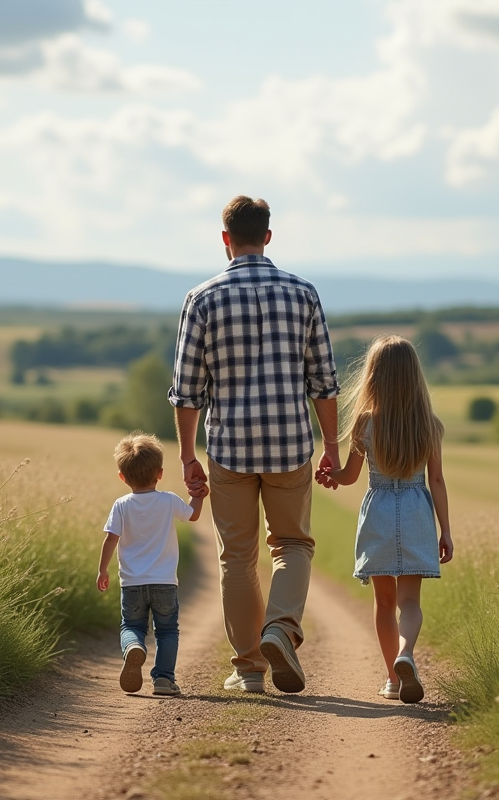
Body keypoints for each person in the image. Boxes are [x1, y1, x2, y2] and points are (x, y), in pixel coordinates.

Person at [169, 195, 340, 694]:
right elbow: (324, 381)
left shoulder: (201, 298)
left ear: (225, 239)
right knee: (292, 545)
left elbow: (186, 390)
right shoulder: (303, 293)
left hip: (230, 449)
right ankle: (280, 628)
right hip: (290, 444)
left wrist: (186, 456)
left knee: (237, 558)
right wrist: (330, 445)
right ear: (268, 235)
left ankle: (248, 669)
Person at [315, 335, 454, 704]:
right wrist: (446, 531)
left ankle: (393, 677)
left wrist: (330, 474)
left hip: (377, 510)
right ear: (414, 376)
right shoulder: (430, 425)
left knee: (383, 601)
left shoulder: (364, 424)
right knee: (410, 601)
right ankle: (407, 653)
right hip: (416, 510)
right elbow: (437, 480)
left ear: (373, 376)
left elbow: (348, 476)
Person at [97, 432, 207, 697]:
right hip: (165, 583)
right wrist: (200, 495)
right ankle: (163, 680)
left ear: (122, 477)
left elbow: (110, 539)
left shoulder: (121, 505)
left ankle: (134, 647)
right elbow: (192, 516)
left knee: (131, 626)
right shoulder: (168, 500)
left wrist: (102, 570)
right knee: (167, 630)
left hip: (132, 583)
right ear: (159, 473)